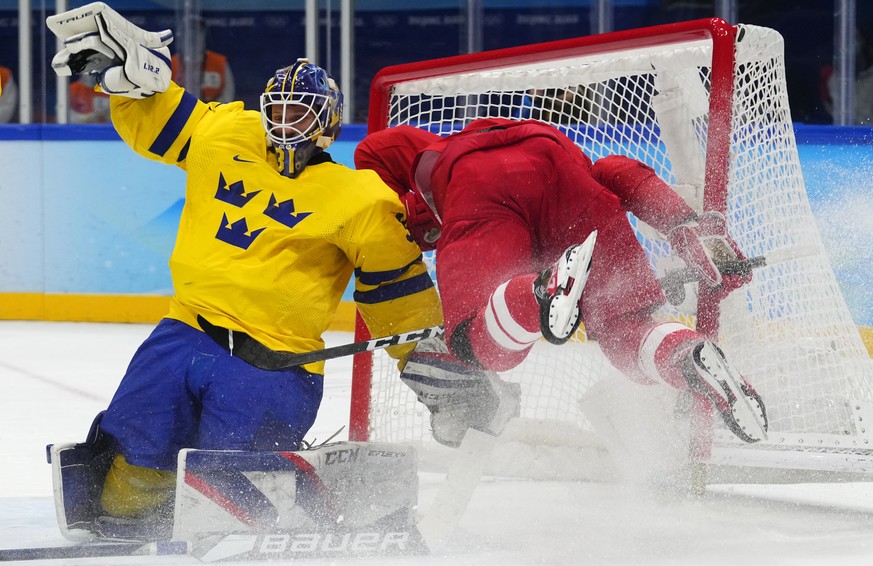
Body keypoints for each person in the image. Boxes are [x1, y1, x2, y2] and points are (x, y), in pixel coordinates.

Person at [46, 3, 443, 539]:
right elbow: (161, 121)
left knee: (232, 486)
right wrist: (129, 84)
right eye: (277, 108)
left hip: (273, 363)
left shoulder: (361, 200)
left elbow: (397, 293)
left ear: (326, 124)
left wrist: (434, 366)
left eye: (300, 113)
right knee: (132, 457)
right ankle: (133, 528)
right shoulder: (227, 133)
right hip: (185, 332)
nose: (284, 123)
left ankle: (323, 510)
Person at [355, 119, 769, 446]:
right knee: (626, 325)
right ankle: (687, 354)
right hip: (566, 175)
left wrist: (406, 216)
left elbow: (369, 151)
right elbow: (614, 169)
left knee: (472, 339)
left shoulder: (433, 153)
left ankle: (540, 294)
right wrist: (682, 224)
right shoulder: (544, 140)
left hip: (479, 187)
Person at [171, 19, 235, 103]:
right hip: (181, 113)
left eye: (198, 32)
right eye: (189, 34)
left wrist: (214, 111)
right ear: (182, 37)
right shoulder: (171, 64)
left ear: (204, 36)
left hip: (214, 112)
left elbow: (228, 94)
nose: (193, 37)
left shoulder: (219, 62)